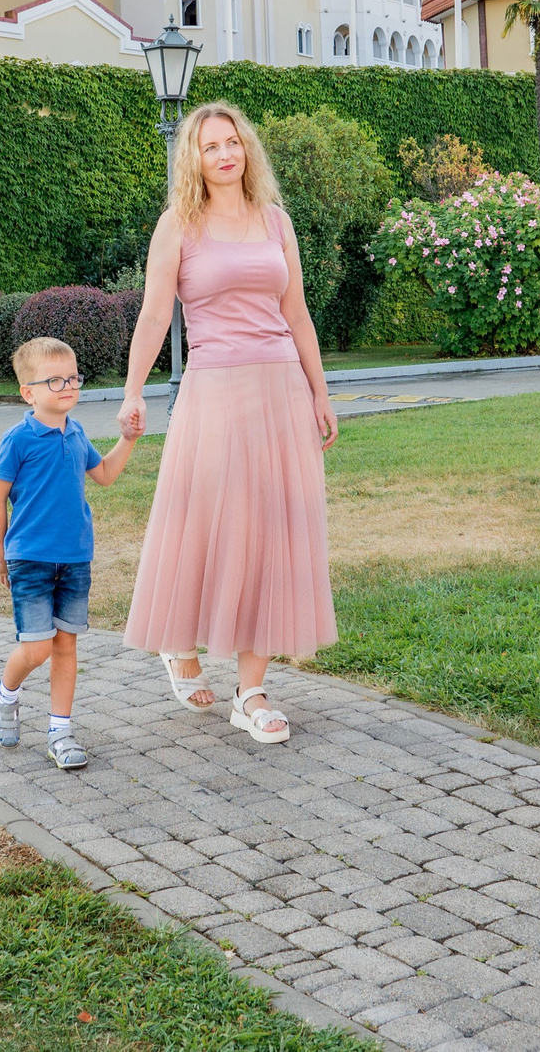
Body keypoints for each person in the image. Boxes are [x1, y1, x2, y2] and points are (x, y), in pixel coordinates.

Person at [119, 101, 338, 744]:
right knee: (204, 527)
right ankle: (178, 645)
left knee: (274, 532)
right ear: (194, 156)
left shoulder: (276, 221)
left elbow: (296, 314)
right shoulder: (178, 227)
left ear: (247, 151)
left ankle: (252, 691)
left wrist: (321, 393)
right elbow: (156, 316)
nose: (224, 154)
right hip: (212, 393)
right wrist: (133, 394)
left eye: (233, 142)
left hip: (280, 392)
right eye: (211, 145)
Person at [0, 333, 137, 770]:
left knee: (66, 646)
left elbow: (105, 474)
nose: (68, 386)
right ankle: (6, 697)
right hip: (30, 558)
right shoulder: (18, 439)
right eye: (55, 380)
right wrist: (1, 553)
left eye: (73, 377)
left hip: (74, 559)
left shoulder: (76, 434)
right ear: (28, 392)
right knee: (36, 649)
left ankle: (60, 731)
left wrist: (127, 438)